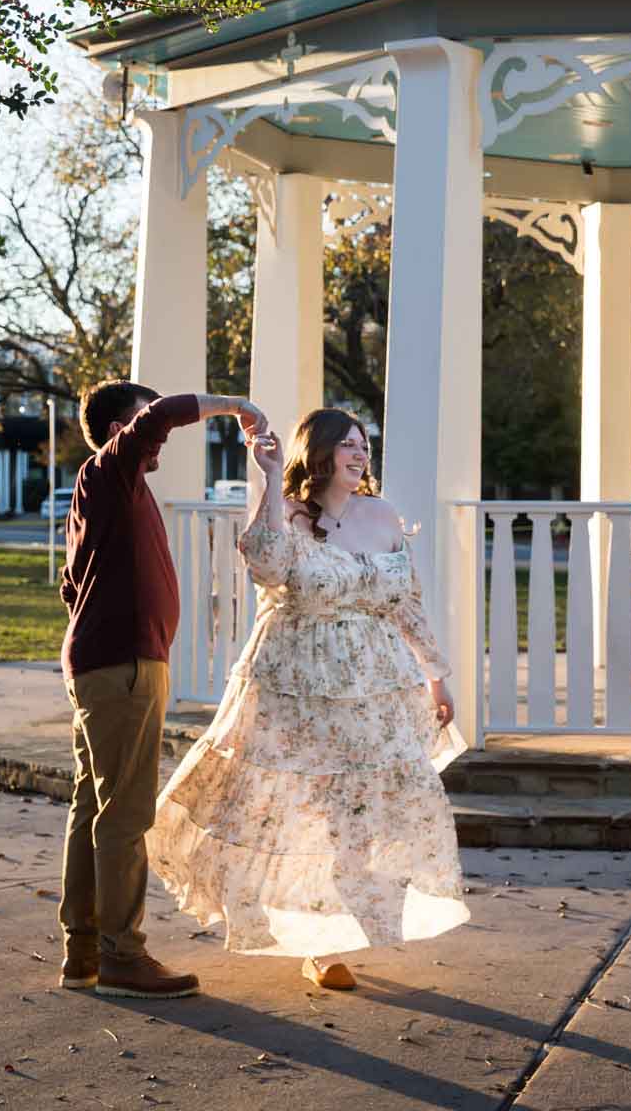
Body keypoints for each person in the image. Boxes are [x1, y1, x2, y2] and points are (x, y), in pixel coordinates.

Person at [147, 407, 469, 990]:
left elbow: (405, 602)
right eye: (346, 444)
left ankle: (348, 918)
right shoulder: (289, 513)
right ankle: (322, 943)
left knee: (371, 807)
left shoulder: (383, 515)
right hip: (300, 683)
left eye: (363, 444)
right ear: (317, 454)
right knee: (307, 810)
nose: (359, 453)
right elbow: (265, 565)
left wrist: (436, 675)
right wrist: (270, 478)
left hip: (374, 683)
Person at [58, 379, 271, 999]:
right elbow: (163, 416)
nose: (159, 440)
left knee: (93, 809)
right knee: (124, 813)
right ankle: (123, 954)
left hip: (107, 664)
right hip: (123, 667)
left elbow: (73, 587)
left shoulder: (114, 492)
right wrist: (239, 407)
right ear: (123, 427)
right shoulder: (110, 471)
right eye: (142, 423)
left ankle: (85, 952)